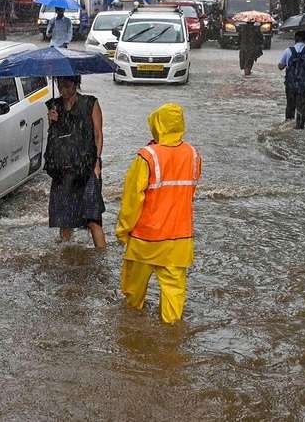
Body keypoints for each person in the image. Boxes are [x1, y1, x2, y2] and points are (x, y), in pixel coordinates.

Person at [116, 103, 202, 324]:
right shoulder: (193, 154)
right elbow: (188, 193)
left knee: (133, 297)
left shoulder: (146, 156)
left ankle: (132, 335)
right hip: (180, 240)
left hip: (146, 239)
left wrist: (123, 230)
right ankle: (171, 343)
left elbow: (132, 199)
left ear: (157, 124)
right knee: (174, 298)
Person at [45, 75, 106, 249]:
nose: (63, 90)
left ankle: (101, 260)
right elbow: (54, 138)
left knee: (93, 219)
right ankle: (67, 256)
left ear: (76, 84)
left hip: (86, 169)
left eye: (67, 85)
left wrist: (97, 162)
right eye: (60, 85)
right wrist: (52, 120)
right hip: (62, 170)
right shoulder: (54, 106)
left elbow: (98, 134)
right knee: (65, 221)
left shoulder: (90, 103)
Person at [278, 30, 305, 130]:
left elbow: (280, 66)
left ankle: (287, 127)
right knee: (302, 107)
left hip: (290, 84)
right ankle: (299, 128)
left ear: (295, 39)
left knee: (290, 105)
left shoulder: (288, 50)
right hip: (304, 85)